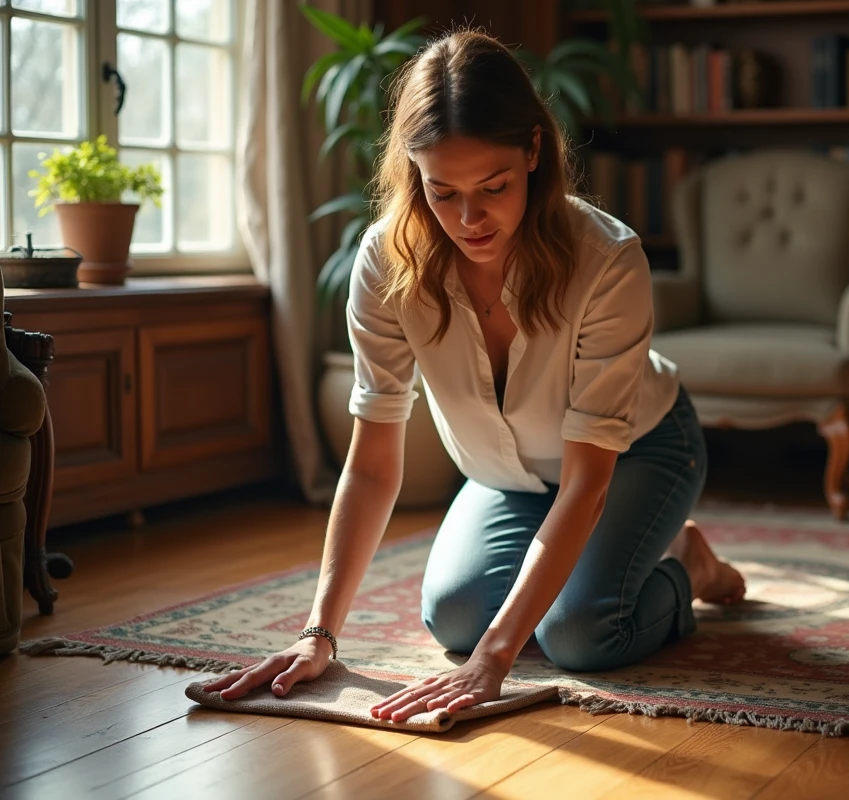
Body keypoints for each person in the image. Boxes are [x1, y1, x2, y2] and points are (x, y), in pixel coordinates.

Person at [202, 28, 745, 723]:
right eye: (442, 190)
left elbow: (586, 482)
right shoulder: (386, 261)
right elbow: (371, 468)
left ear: (533, 153)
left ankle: (689, 566)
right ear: (413, 172)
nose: (469, 218)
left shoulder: (606, 260)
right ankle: (613, 570)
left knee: (578, 634)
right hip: (508, 474)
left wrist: (497, 658)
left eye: (493, 187)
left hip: (639, 451)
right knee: (455, 619)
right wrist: (319, 635)